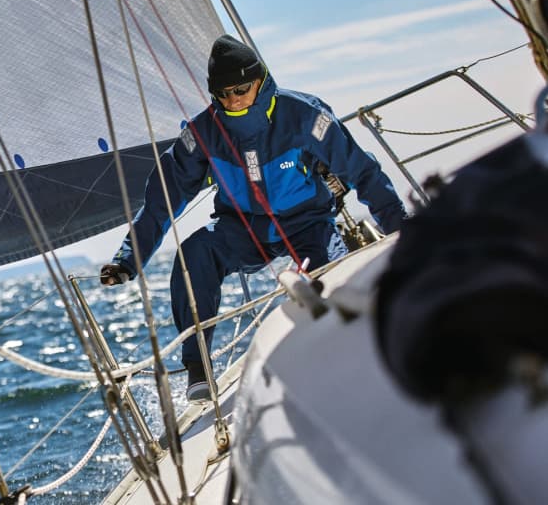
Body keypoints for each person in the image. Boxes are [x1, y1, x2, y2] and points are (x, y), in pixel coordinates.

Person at [100, 34, 406, 401]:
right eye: (223, 93)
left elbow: (362, 172)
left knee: (328, 270)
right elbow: (162, 199)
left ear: (260, 79)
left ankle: (349, 350)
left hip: (307, 222)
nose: (232, 100)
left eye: (241, 89)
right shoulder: (203, 133)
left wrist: (400, 231)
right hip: (242, 229)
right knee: (195, 252)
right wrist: (128, 260)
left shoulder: (304, 115)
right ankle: (198, 368)